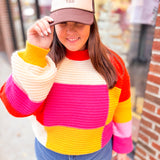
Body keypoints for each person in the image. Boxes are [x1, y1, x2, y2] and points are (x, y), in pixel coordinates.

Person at [0, 0, 133, 159]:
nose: (70, 31)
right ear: (52, 23)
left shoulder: (113, 63)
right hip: (50, 152)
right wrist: (35, 52)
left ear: (91, 23)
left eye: (79, 22)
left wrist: (123, 148)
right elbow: (17, 108)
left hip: (97, 152)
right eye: (63, 23)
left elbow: (122, 107)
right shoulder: (41, 59)